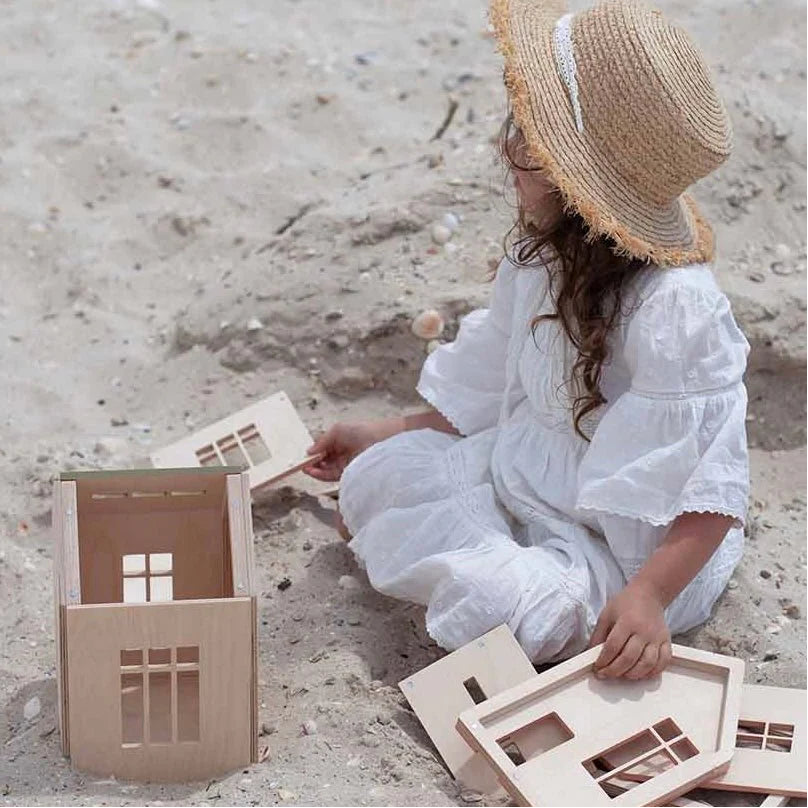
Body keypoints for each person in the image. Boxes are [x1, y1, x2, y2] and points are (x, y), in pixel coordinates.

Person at [305, 0, 750, 680]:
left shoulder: (677, 309)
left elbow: (710, 487)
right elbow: (491, 380)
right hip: (520, 478)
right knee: (379, 474)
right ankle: (463, 545)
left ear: (577, 180)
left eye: (533, 140)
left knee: (502, 610)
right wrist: (385, 432)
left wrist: (649, 597)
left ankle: (507, 576)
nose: (508, 147)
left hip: (632, 553)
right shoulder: (541, 254)